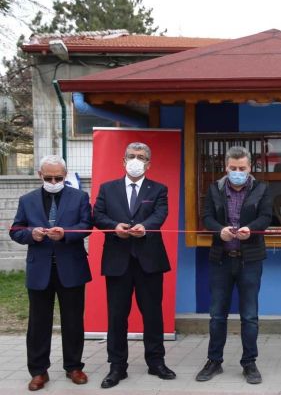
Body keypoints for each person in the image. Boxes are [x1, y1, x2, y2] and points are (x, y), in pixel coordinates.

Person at [93, 142, 175, 388]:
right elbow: (98, 216)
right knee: (117, 316)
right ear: (123, 160)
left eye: (141, 157)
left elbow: (160, 214)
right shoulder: (107, 188)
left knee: (152, 314)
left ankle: (156, 362)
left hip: (149, 260)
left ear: (148, 164)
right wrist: (114, 227)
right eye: (131, 156)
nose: (135, 160)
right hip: (117, 261)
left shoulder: (158, 189)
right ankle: (117, 366)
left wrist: (145, 227)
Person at [9, 155, 92, 391]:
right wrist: (31, 234)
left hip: (71, 268)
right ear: (40, 175)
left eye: (58, 178)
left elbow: (87, 225)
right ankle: (38, 371)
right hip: (40, 268)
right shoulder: (27, 200)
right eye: (48, 178)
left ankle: (73, 367)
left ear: (65, 175)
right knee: (38, 323)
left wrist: (65, 233)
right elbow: (16, 230)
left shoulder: (79, 197)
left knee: (73, 320)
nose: (53, 182)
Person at [196, 146, 272, 384]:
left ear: (250, 167)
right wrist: (220, 230)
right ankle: (214, 361)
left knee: (249, 316)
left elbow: (266, 217)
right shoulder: (214, 188)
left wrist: (252, 228)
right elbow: (206, 217)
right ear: (226, 167)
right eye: (233, 168)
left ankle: (249, 362)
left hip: (250, 260)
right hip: (221, 259)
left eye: (242, 168)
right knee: (217, 315)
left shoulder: (262, 188)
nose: (237, 172)